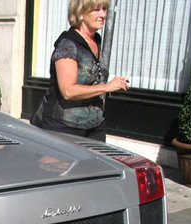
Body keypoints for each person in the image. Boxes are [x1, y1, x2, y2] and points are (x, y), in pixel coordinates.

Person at [38, 0, 129, 141]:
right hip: (64, 127)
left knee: (96, 163)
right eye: (96, 10)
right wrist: (107, 87)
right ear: (80, 13)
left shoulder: (96, 40)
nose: (103, 14)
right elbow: (68, 91)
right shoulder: (68, 45)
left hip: (95, 126)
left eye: (104, 9)